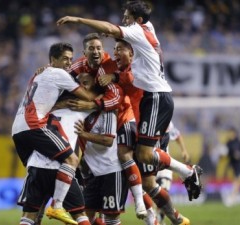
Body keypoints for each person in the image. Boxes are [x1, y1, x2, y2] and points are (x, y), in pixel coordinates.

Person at [57, 0, 203, 203]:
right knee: (143, 155)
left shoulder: (138, 31)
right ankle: (184, 174)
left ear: (138, 20)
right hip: (152, 98)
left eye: (127, 17)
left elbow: (110, 28)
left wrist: (78, 19)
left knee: (144, 155)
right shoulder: (148, 27)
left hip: (156, 97)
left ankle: (187, 173)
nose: (124, 21)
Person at [101, 38, 189, 225]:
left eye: (120, 49)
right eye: (114, 49)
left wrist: (114, 77)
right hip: (140, 127)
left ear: (132, 54)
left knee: (137, 168)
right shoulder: (119, 68)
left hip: (149, 128)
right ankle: (169, 218)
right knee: (146, 183)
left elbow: (132, 79)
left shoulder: (139, 68)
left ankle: (186, 172)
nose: (115, 53)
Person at [11, 42, 96, 225]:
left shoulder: (38, 75)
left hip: (18, 130)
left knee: (33, 206)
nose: (68, 63)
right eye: (65, 59)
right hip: (33, 126)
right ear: (53, 60)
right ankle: (56, 206)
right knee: (71, 160)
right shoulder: (60, 75)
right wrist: (93, 100)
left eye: (70, 60)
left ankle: (44, 208)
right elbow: (88, 97)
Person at [67, 33, 147, 219]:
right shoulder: (80, 66)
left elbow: (116, 101)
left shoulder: (108, 70)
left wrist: (92, 105)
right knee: (87, 216)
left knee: (124, 155)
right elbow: (62, 72)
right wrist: (45, 70)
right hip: (94, 169)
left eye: (98, 48)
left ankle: (144, 207)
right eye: (91, 48)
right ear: (84, 52)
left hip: (124, 116)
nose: (95, 51)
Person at [74, 73, 129, 225]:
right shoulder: (80, 108)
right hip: (93, 173)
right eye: (80, 83)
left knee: (111, 219)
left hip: (111, 171)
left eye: (86, 82)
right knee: (86, 216)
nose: (82, 86)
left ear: (95, 84)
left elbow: (108, 140)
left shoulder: (109, 108)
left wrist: (83, 134)